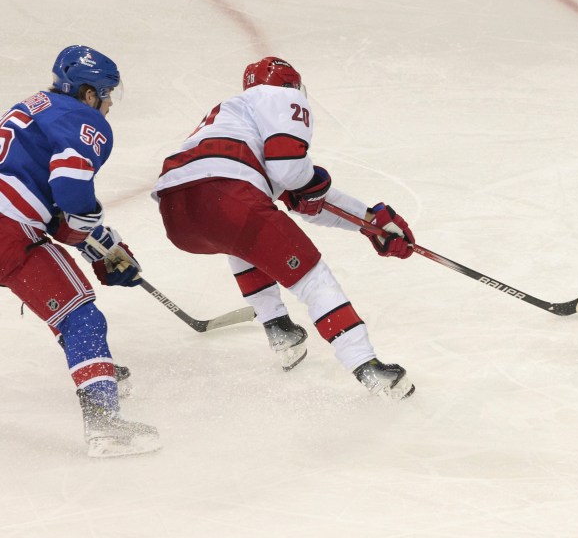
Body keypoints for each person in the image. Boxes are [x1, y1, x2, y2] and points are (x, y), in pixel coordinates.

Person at [153, 56, 415, 400]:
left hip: (177, 213)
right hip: (227, 194)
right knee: (312, 277)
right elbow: (292, 173)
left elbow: (303, 198)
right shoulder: (278, 96)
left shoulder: (234, 118)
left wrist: (368, 222)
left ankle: (279, 329)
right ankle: (368, 367)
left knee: (243, 239)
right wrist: (320, 187)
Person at [0, 45, 160, 457]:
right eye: (106, 95)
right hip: (7, 229)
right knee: (79, 315)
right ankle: (104, 423)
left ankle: (96, 370)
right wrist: (89, 236)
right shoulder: (85, 119)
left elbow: (52, 204)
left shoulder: (35, 108)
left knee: (67, 307)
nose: (108, 105)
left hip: (12, 223)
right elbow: (70, 190)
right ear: (89, 94)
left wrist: (97, 243)